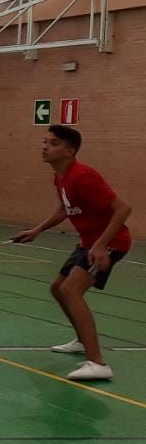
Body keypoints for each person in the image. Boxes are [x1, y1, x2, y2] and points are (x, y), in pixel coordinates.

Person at [13, 126, 132, 381]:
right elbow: (65, 209)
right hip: (88, 242)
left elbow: (123, 209)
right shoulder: (60, 177)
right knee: (58, 288)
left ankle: (98, 363)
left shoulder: (83, 176)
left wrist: (101, 246)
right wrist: (38, 230)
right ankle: (81, 339)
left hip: (111, 242)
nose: (45, 147)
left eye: (53, 143)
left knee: (71, 290)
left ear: (70, 150)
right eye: (44, 142)